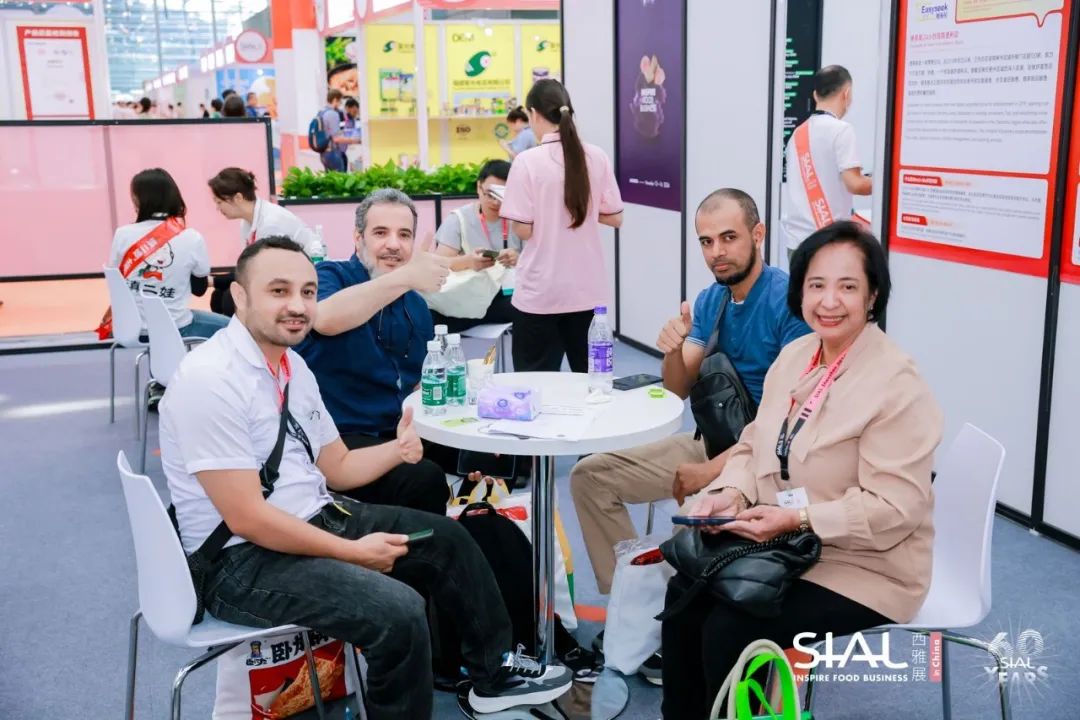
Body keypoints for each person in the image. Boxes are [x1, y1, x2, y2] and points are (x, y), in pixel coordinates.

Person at [158, 236, 572, 719]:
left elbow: (337, 466)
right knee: (397, 612)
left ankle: (493, 674)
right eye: (279, 291)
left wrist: (399, 450)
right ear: (241, 295)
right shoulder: (210, 379)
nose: (298, 306)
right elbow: (247, 518)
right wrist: (353, 553)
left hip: (314, 517)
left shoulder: (290, 366)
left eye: (308, 292)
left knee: (448, 540)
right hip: (240, 563)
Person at [660, 221, 943, 719]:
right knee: (685, 595)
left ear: (873, 295)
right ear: (800, 292)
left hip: (865, 565)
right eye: (816, 285)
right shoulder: (796, 355)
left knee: (731, 627)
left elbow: (896, 509)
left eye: (848, 286)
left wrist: (797, 518)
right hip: (787, 544)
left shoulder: (896, 384)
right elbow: (755, 443)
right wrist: (731, 493)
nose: (829, 301)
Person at [571, 189, 811, 597]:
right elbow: (676, 388)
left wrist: (711, 471)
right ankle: (630, 604)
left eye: (729, 237)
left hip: (764, 462)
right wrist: (673, 349)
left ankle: (669, 614)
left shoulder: (788, 304)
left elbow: (786, 427)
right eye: (706, 241)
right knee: (589, 477)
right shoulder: (712, 300)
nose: (717, 252)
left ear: (758, 234)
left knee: (691, 524)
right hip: (712, 441)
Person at [295, 189, 456, 513]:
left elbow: (418, 381)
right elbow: (325, 319)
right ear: (358, 239)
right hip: (339, 437)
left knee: (491, 455)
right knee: (423, 479)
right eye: (381, 233)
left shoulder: (415, 305)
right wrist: (406, 277)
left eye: (404, 235)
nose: (394, 245)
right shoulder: (330, 275)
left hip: (398, 428)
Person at [499, 79, 624, 372]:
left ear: (533, 113)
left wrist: (548, 212)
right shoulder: (596, 156)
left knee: (535, 385)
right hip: (587, 293)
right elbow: (615, 217)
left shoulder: (527, 162)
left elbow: (523, 230)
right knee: (593, 382)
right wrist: (578, 210)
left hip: (540, 294)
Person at [106, 168, 229, 339]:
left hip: (130, 330)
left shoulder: (122, 235)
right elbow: (199, 289)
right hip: (177, 328)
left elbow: (115, 280)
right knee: (234, 329)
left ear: (137, 200)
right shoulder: (192, 238)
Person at [781, 65, 872, 260]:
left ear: (815, 95)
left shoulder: (797, 134)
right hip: (828, 243)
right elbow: (856, 184)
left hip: (796, 243)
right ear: (847, 94)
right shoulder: (841, 130)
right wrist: (887, 182)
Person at [429, 159, 522, 333]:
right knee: (433, 314)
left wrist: (519, 259)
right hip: (470, 295)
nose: (496, 202)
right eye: (490, 194)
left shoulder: (520, 219)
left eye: (502, 196)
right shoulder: (459, 219)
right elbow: (440, 263)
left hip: (509, 293)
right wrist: (468, 261)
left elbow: (539, 261)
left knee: (527, 305)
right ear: (479, 187)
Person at [208, 167, 315, 252]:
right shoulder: (246, 222)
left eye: (219, 202)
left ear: (238, 198)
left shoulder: (271, 222)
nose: (218, 208)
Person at [319, 89, 361, 172]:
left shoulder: (321, 113)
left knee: (331, 177)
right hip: (334, 152)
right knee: (340, 177)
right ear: (335, 100)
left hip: (324, 152)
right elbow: (336, 138)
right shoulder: (333, 114)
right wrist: (355, 140)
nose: (340, 104)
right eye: (340, 101)